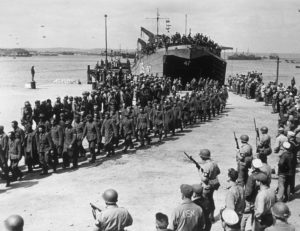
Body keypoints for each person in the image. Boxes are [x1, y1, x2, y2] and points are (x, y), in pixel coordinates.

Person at [199, 149, 220, 221]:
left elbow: (204, 179)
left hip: (207, 186)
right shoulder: (214, 163)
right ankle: (212, 216)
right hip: (213, 184)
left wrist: (200, 172)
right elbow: (218, 172)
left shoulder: (206, 166)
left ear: (203, 157)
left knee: (204, 202)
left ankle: (206, 218)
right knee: (211, 199)